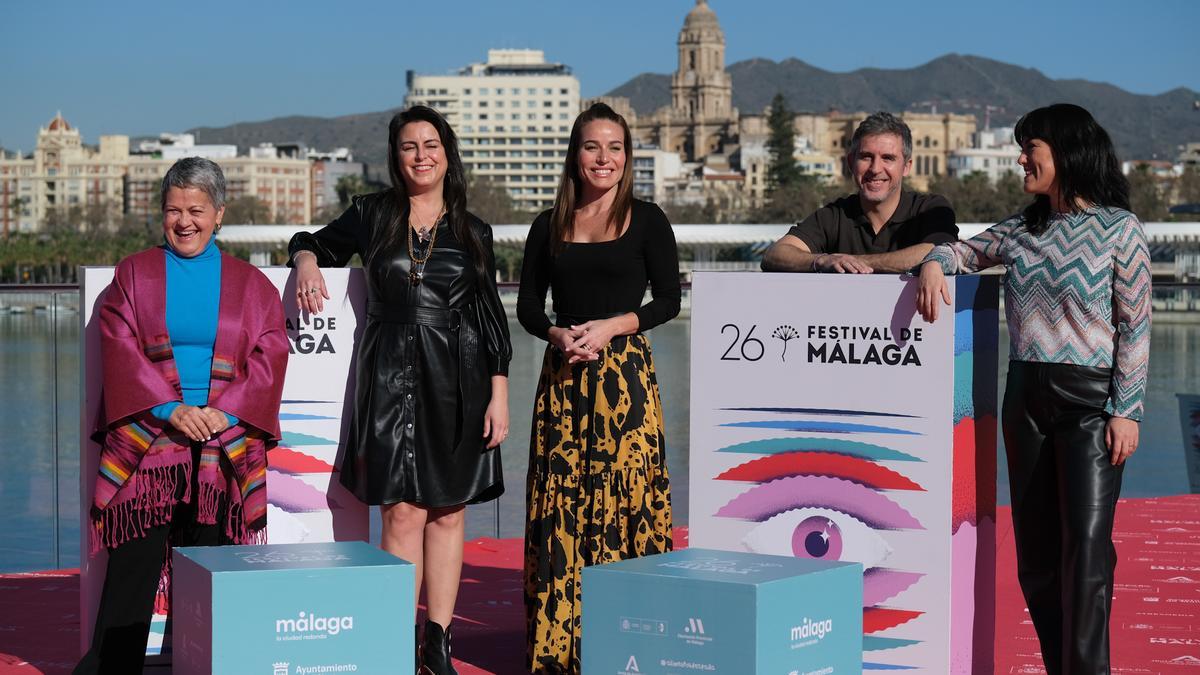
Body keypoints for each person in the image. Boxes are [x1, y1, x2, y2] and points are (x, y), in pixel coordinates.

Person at [915, 103, 1151, 674]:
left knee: (1087, 553)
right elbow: (961, 251)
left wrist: (1128, 409)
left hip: (1091, 406)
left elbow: (1135, 324)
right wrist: (931, 263)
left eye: (1031, 148)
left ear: (1066, 153)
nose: (1021, 159)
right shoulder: (1022, 230)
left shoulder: (1121, 229)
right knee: (1037, 562)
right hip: (1024, 401)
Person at [289, 105, 511, 675]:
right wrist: (308, 260)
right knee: (402, 513)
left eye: (431, 144)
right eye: (409, 146)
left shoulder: (473, 229)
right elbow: (313, 238)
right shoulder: (371, 213)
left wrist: (499, 391)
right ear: (395, 155)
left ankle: (437, 642)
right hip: (388, 375)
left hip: (456, 376)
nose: (421, 155)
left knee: (448, 511)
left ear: (447, 152)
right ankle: (396, 636)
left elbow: (489, 318)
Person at [76, 157, 288, 674]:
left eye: (196, 209)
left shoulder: (251, 283)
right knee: (131, 574)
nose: (184, 221)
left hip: (222, 444)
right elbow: (118, 345)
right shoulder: (133, 274)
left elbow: (272, 350)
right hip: (152, 443)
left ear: (219, 213)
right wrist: (172, 410)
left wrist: (223, 412)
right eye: (173, 210)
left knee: (210, 581)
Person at [518, 102, 680, 674]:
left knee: (625, 499)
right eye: (592, 147)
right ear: (575, 154)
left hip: (626, 380)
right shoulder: (548, 224)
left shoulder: (649, 219)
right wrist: (559, 334)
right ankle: (560, 646)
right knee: (564, 504)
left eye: (615, 148)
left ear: (628, 157)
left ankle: (628, 638)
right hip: (563, 382)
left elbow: (668, 301)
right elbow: (528, 310)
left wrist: (614, 325)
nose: (603, 158)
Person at [761, 111, 958, 273]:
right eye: (866, 157)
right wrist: (822, 261)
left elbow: (938, 252)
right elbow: (775, 254)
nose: (875, 169)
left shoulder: (930, 209)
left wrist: (853, 262)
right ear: (850, 163)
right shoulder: (835, 216)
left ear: (906, 166)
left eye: (888, 158)